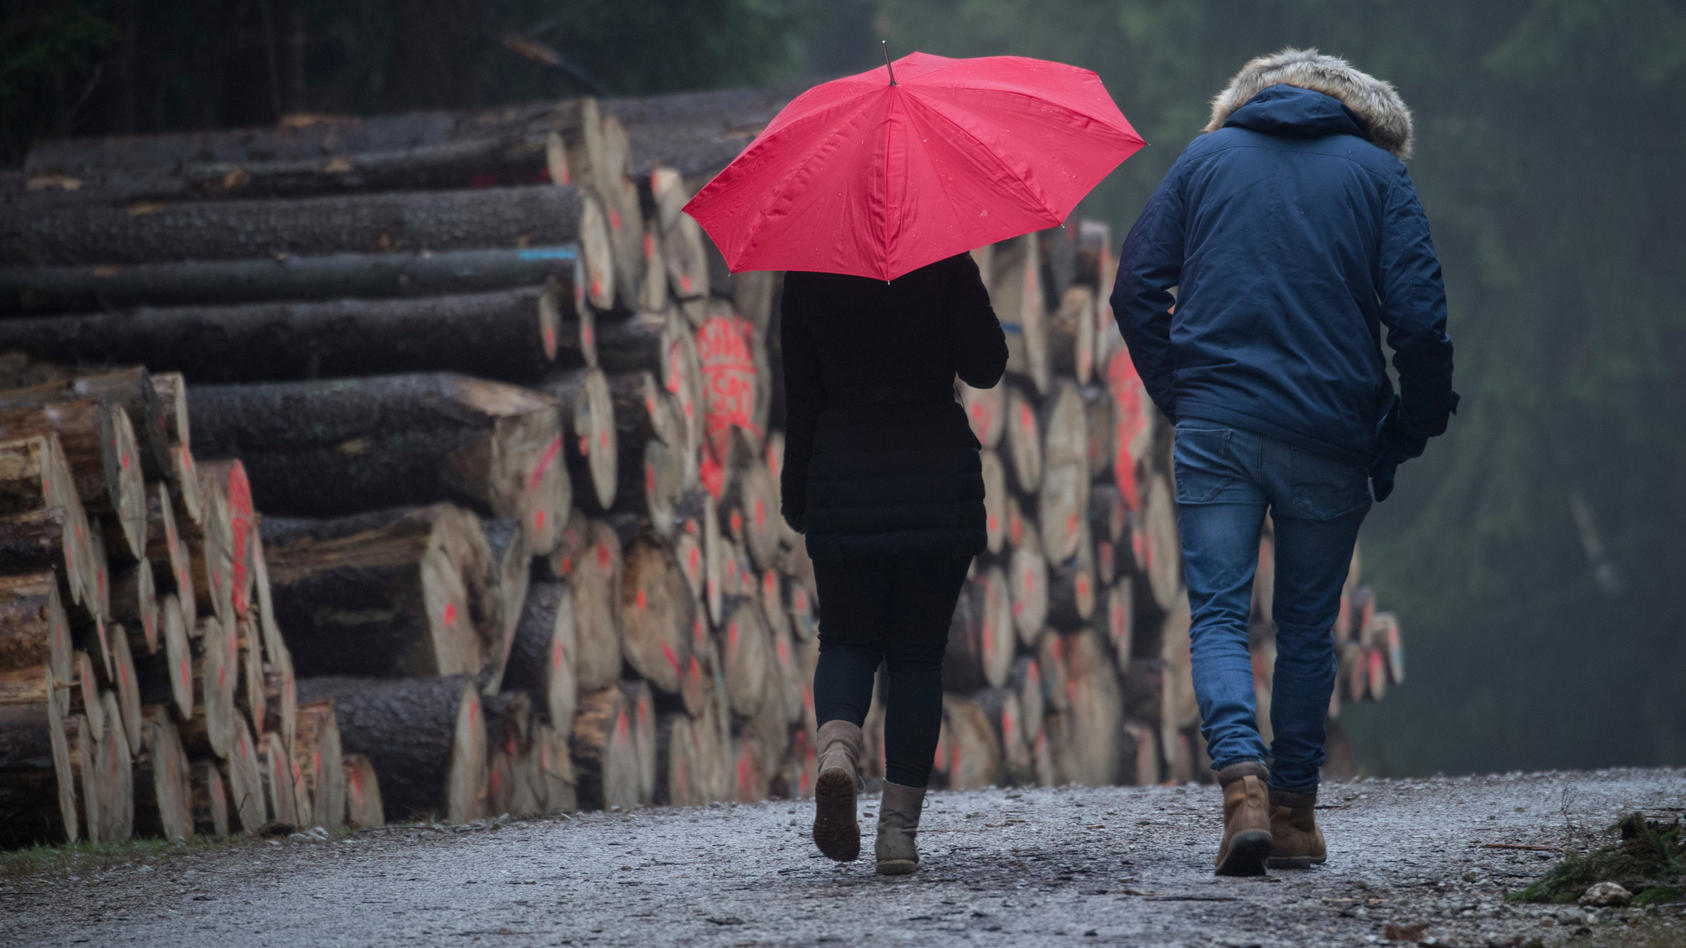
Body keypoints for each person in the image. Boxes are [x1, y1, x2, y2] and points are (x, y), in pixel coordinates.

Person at [1111, 48, 1457, 876]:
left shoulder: (1205, 158)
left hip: (1217, 427)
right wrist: (1407, 429)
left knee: (1220, 615)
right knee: (1306, 626)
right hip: (1330, 435)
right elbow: (1419, 321)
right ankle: (1296, 813)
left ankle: (1243, 793)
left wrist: (1182, 395)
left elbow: (1134, 289)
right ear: (1365, 112)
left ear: (1247, 99)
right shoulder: (1379, 177)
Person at [779, 252, 1007, 875]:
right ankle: (898, 835)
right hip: (936, 477)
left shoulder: (808, 265)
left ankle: (837, 755)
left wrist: (799, 495)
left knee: (846, 640)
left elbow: (800, 394)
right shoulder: (944, 255)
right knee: (916, 656)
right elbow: (987, 366)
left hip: (843, 471)